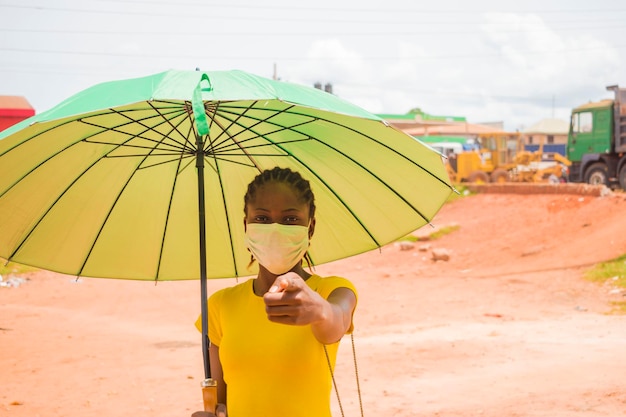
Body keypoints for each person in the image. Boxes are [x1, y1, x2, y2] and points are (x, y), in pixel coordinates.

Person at [192, 167, 358, 417]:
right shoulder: (220, 305)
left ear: (310, 228)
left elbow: (336, 322)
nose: (276, 228)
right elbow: (221, 404)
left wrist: (319, 310)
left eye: (291, 219)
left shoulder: (332, 290)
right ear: (246, 226)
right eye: (262, 219)